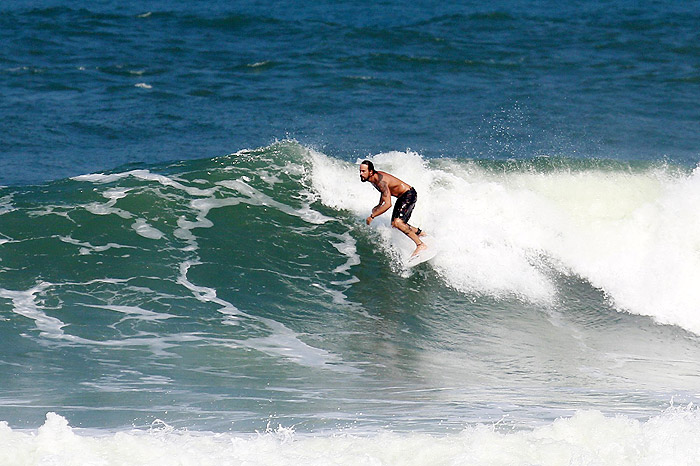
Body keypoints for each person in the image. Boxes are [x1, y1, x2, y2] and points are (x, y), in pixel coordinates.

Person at [359, 160, 427, 256]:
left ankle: (421, 245)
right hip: (403, 196)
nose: (361, 174)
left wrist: (372, 216)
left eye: (363, 171)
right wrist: (379, 204)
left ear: (370, 172)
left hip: (408, 195)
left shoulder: (379, 181)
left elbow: (388, 204)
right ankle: (420, 233)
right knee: (395, 224)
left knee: (398, 223)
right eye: (360, 171)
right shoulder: (373, 178)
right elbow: (385, 192)